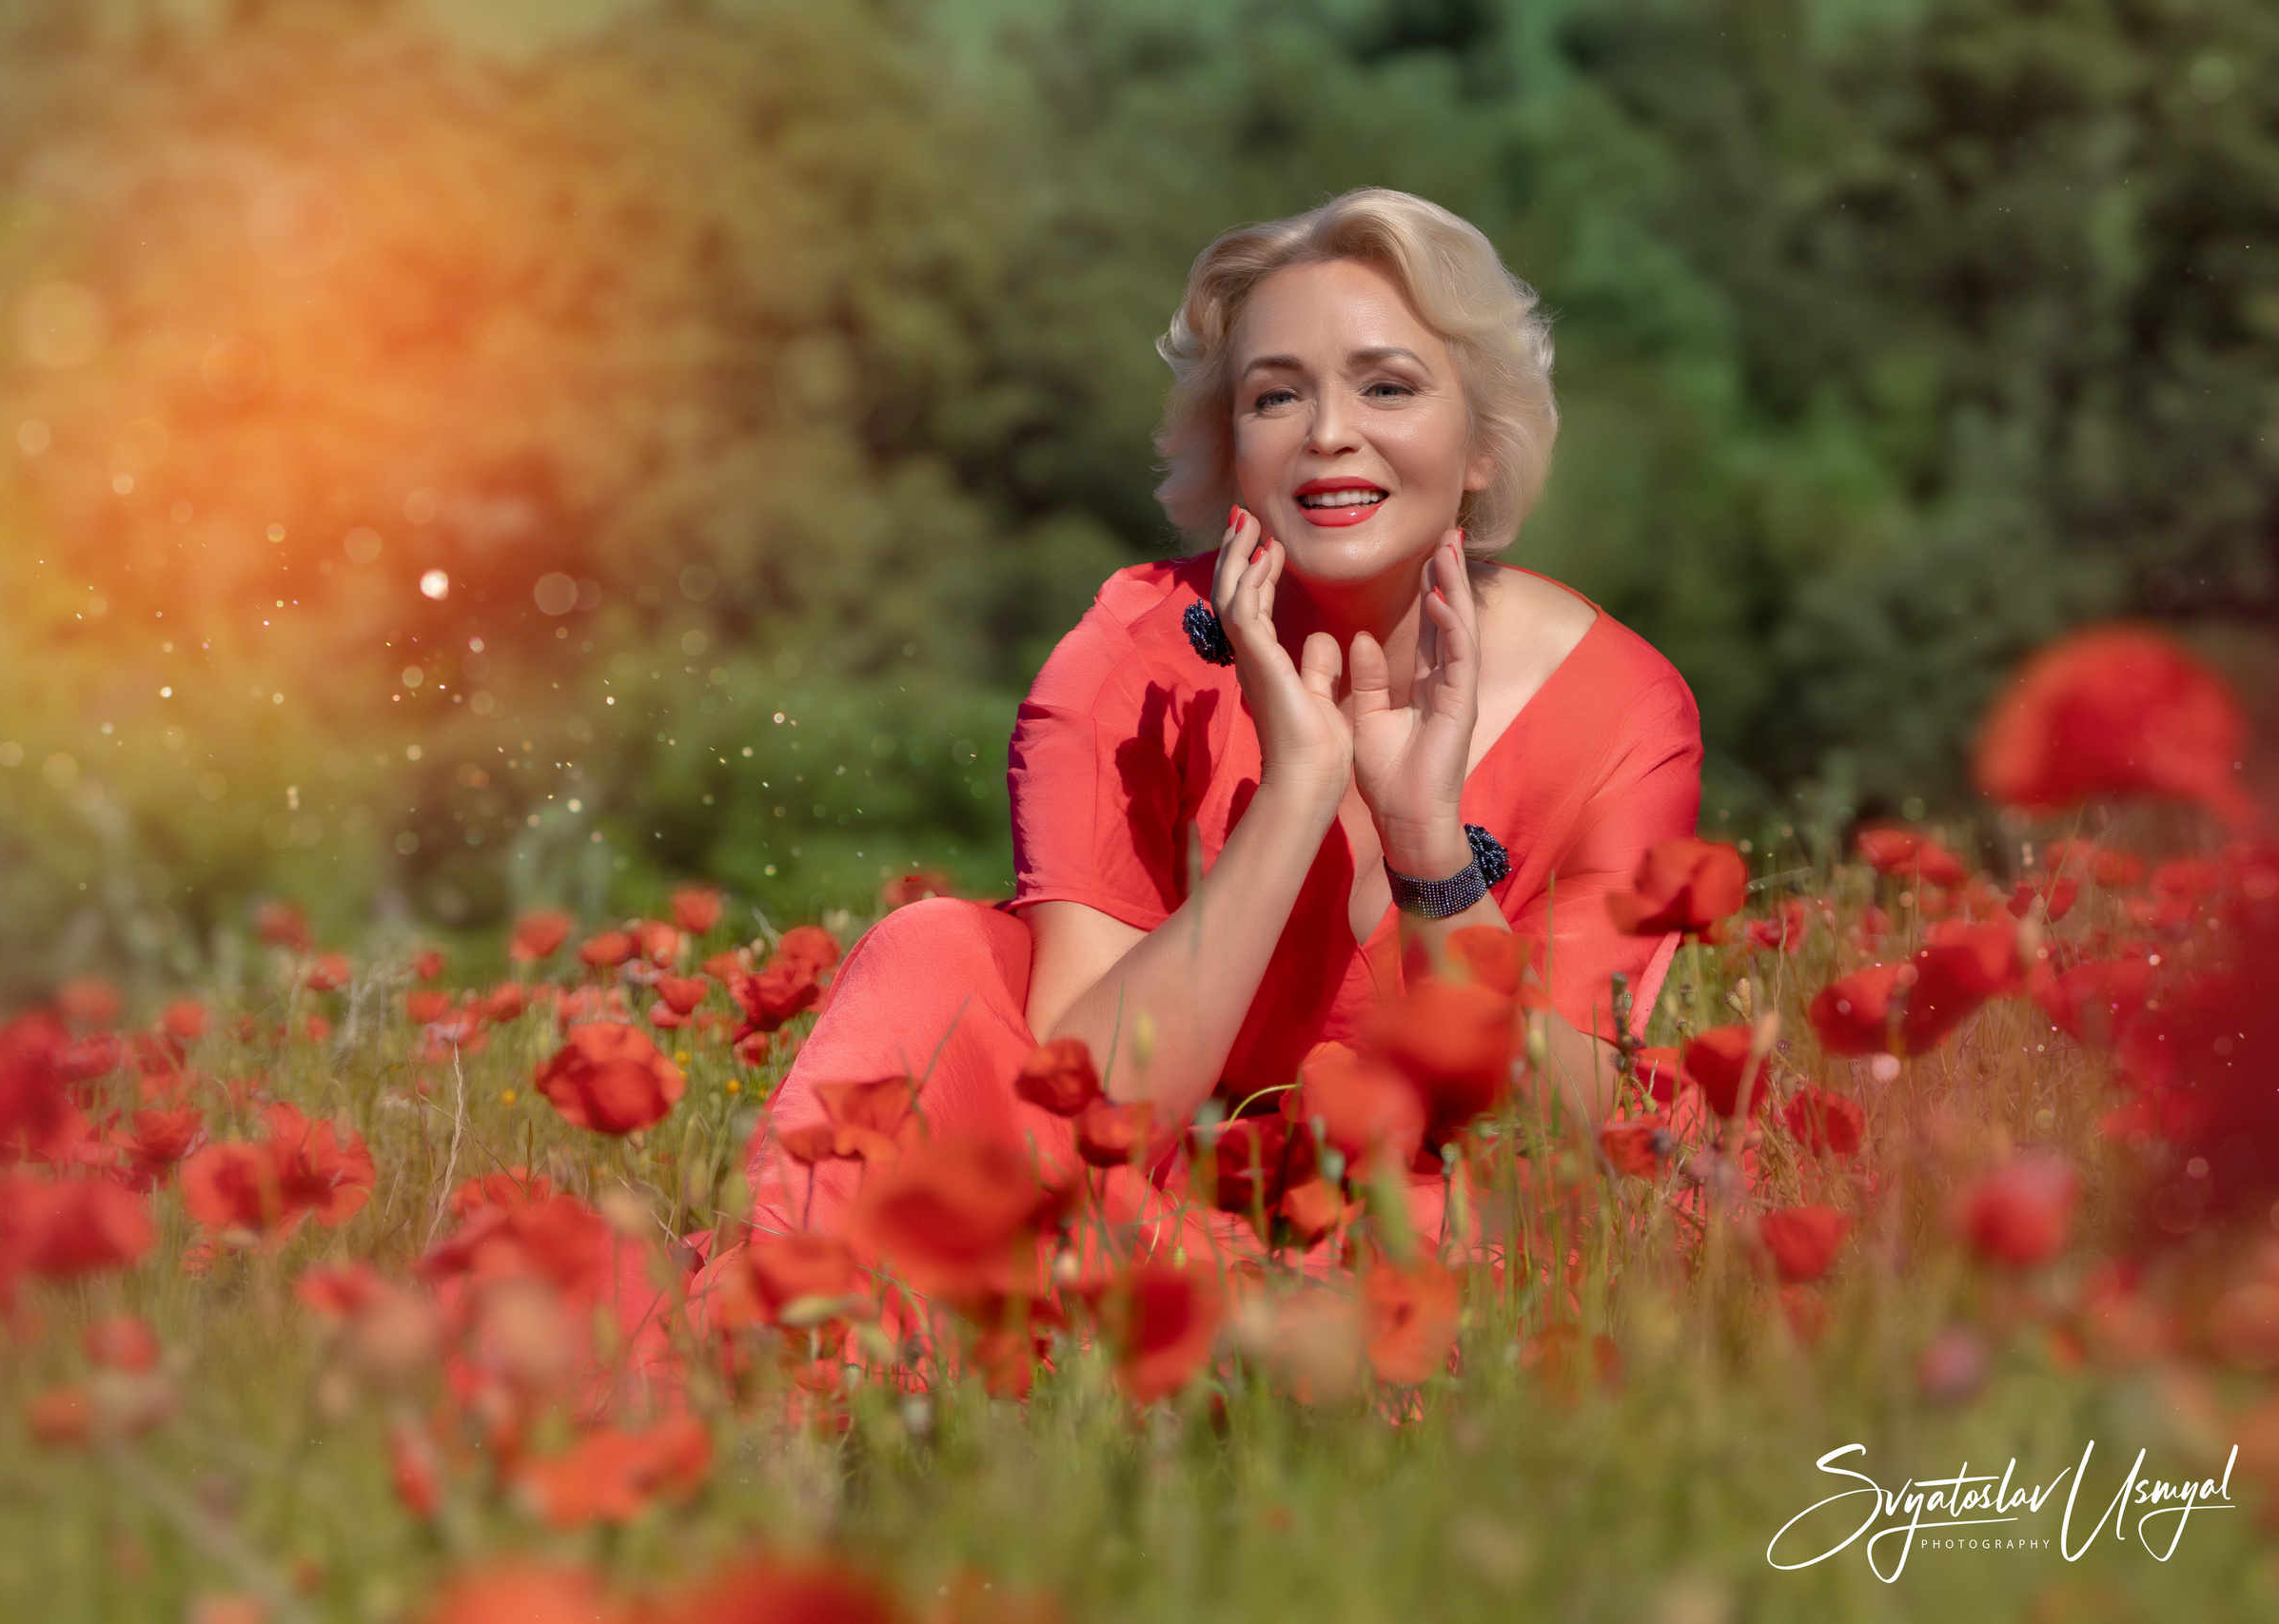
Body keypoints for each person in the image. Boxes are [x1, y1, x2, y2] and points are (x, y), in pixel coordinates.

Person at [728, 186, 1701, 1263]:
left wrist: (1429, 846)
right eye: (1276, 398)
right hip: (1139, 1190)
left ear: (1481, 443)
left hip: (1433, 1206)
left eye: (1387, 386)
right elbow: (1091, 1099)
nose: (1330, 435)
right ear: (1230, 445)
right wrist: (1293, 796)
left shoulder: (1619, 709)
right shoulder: (1133, 660)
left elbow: (1572, 1126)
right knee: (935, 957)